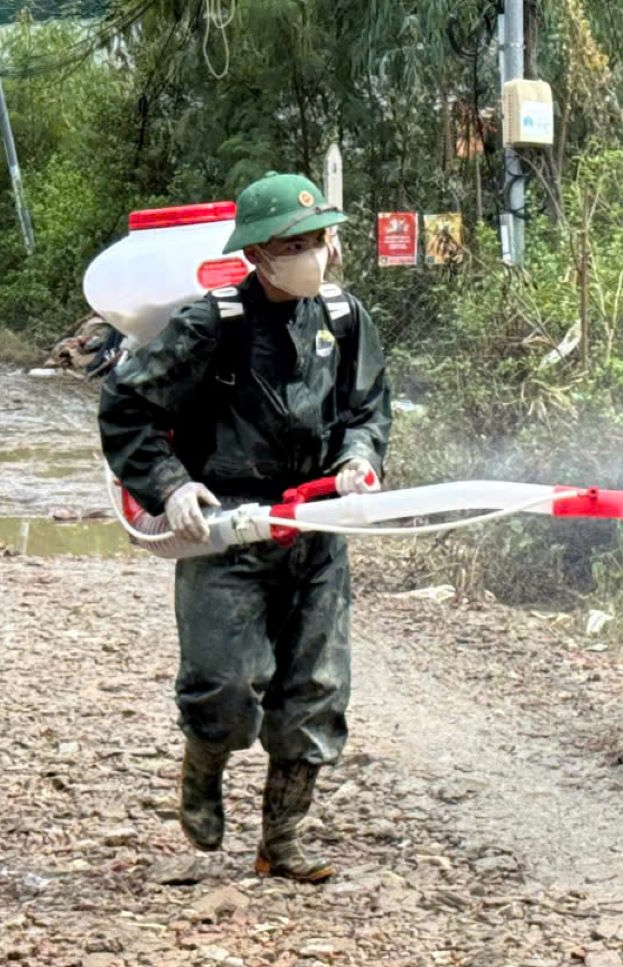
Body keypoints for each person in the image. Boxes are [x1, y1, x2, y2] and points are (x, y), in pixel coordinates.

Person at [98, 172, 391, 882]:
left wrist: (358, 458)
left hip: (315, 526)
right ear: (256, 254)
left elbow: (367, 407)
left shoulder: (344, 318)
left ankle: (281, 840)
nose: (313, 254)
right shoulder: (213, 324)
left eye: (318, 238)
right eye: (293, 244)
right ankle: (202, 770)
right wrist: (172, 487)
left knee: (317, 688)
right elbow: (128, 407)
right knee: (224, 687)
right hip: (227, 528)